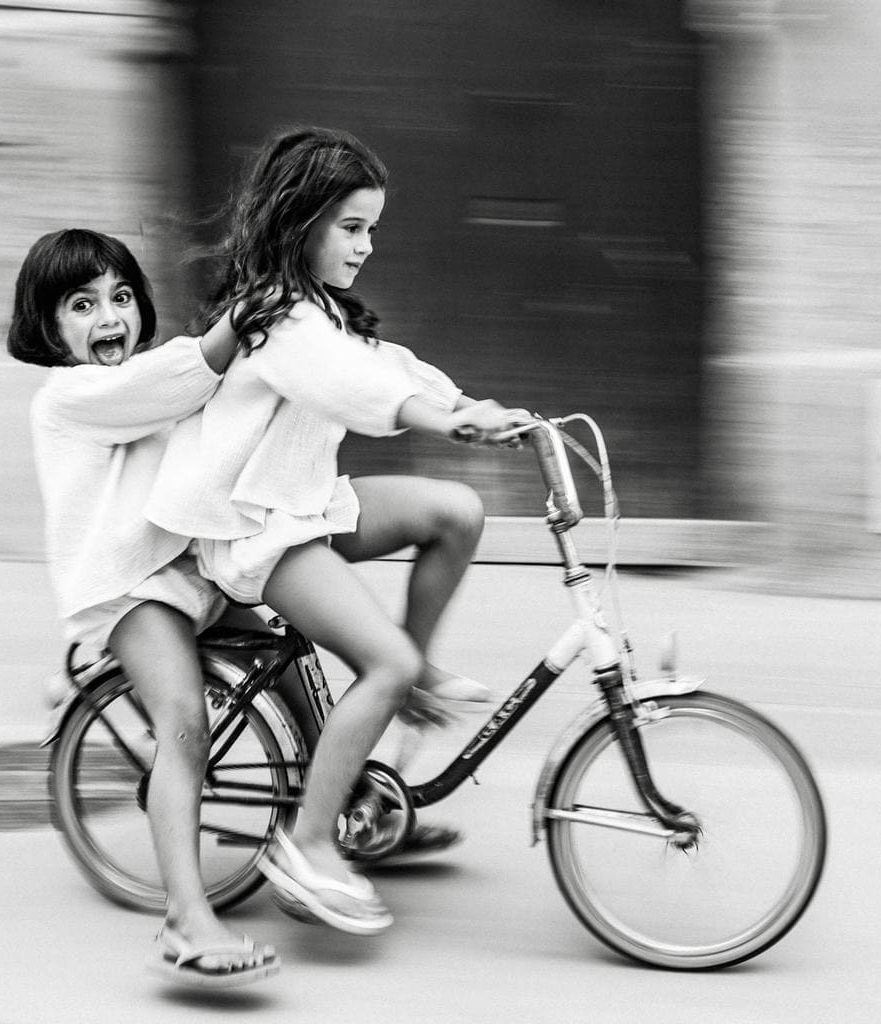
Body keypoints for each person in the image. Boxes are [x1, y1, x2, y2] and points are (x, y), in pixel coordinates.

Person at [146, 126, 529, 936]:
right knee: (380, 661)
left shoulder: (325, 311)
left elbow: (388, 366)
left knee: (456, 512)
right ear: (302, 220)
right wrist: (441, 421)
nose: (366, 245)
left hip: (306, 504)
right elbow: (352, 385)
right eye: (351, 227)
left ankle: (403, 680)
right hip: (256, 531)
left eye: (372, 229)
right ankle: (311, 845)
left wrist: (472, 410)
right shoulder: (279, 318)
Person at [7, 228, 278, 988]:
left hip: (189, 572)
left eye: (121, 297)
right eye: (82, 304)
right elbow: (179, 379)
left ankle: (339, 818)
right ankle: (186, 921)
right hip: (126, 587)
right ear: (47, 326)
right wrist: (241, 320)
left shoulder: (142, 382)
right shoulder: (68, 396)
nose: (109, 317)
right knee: (184, 722)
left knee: (295, 664)